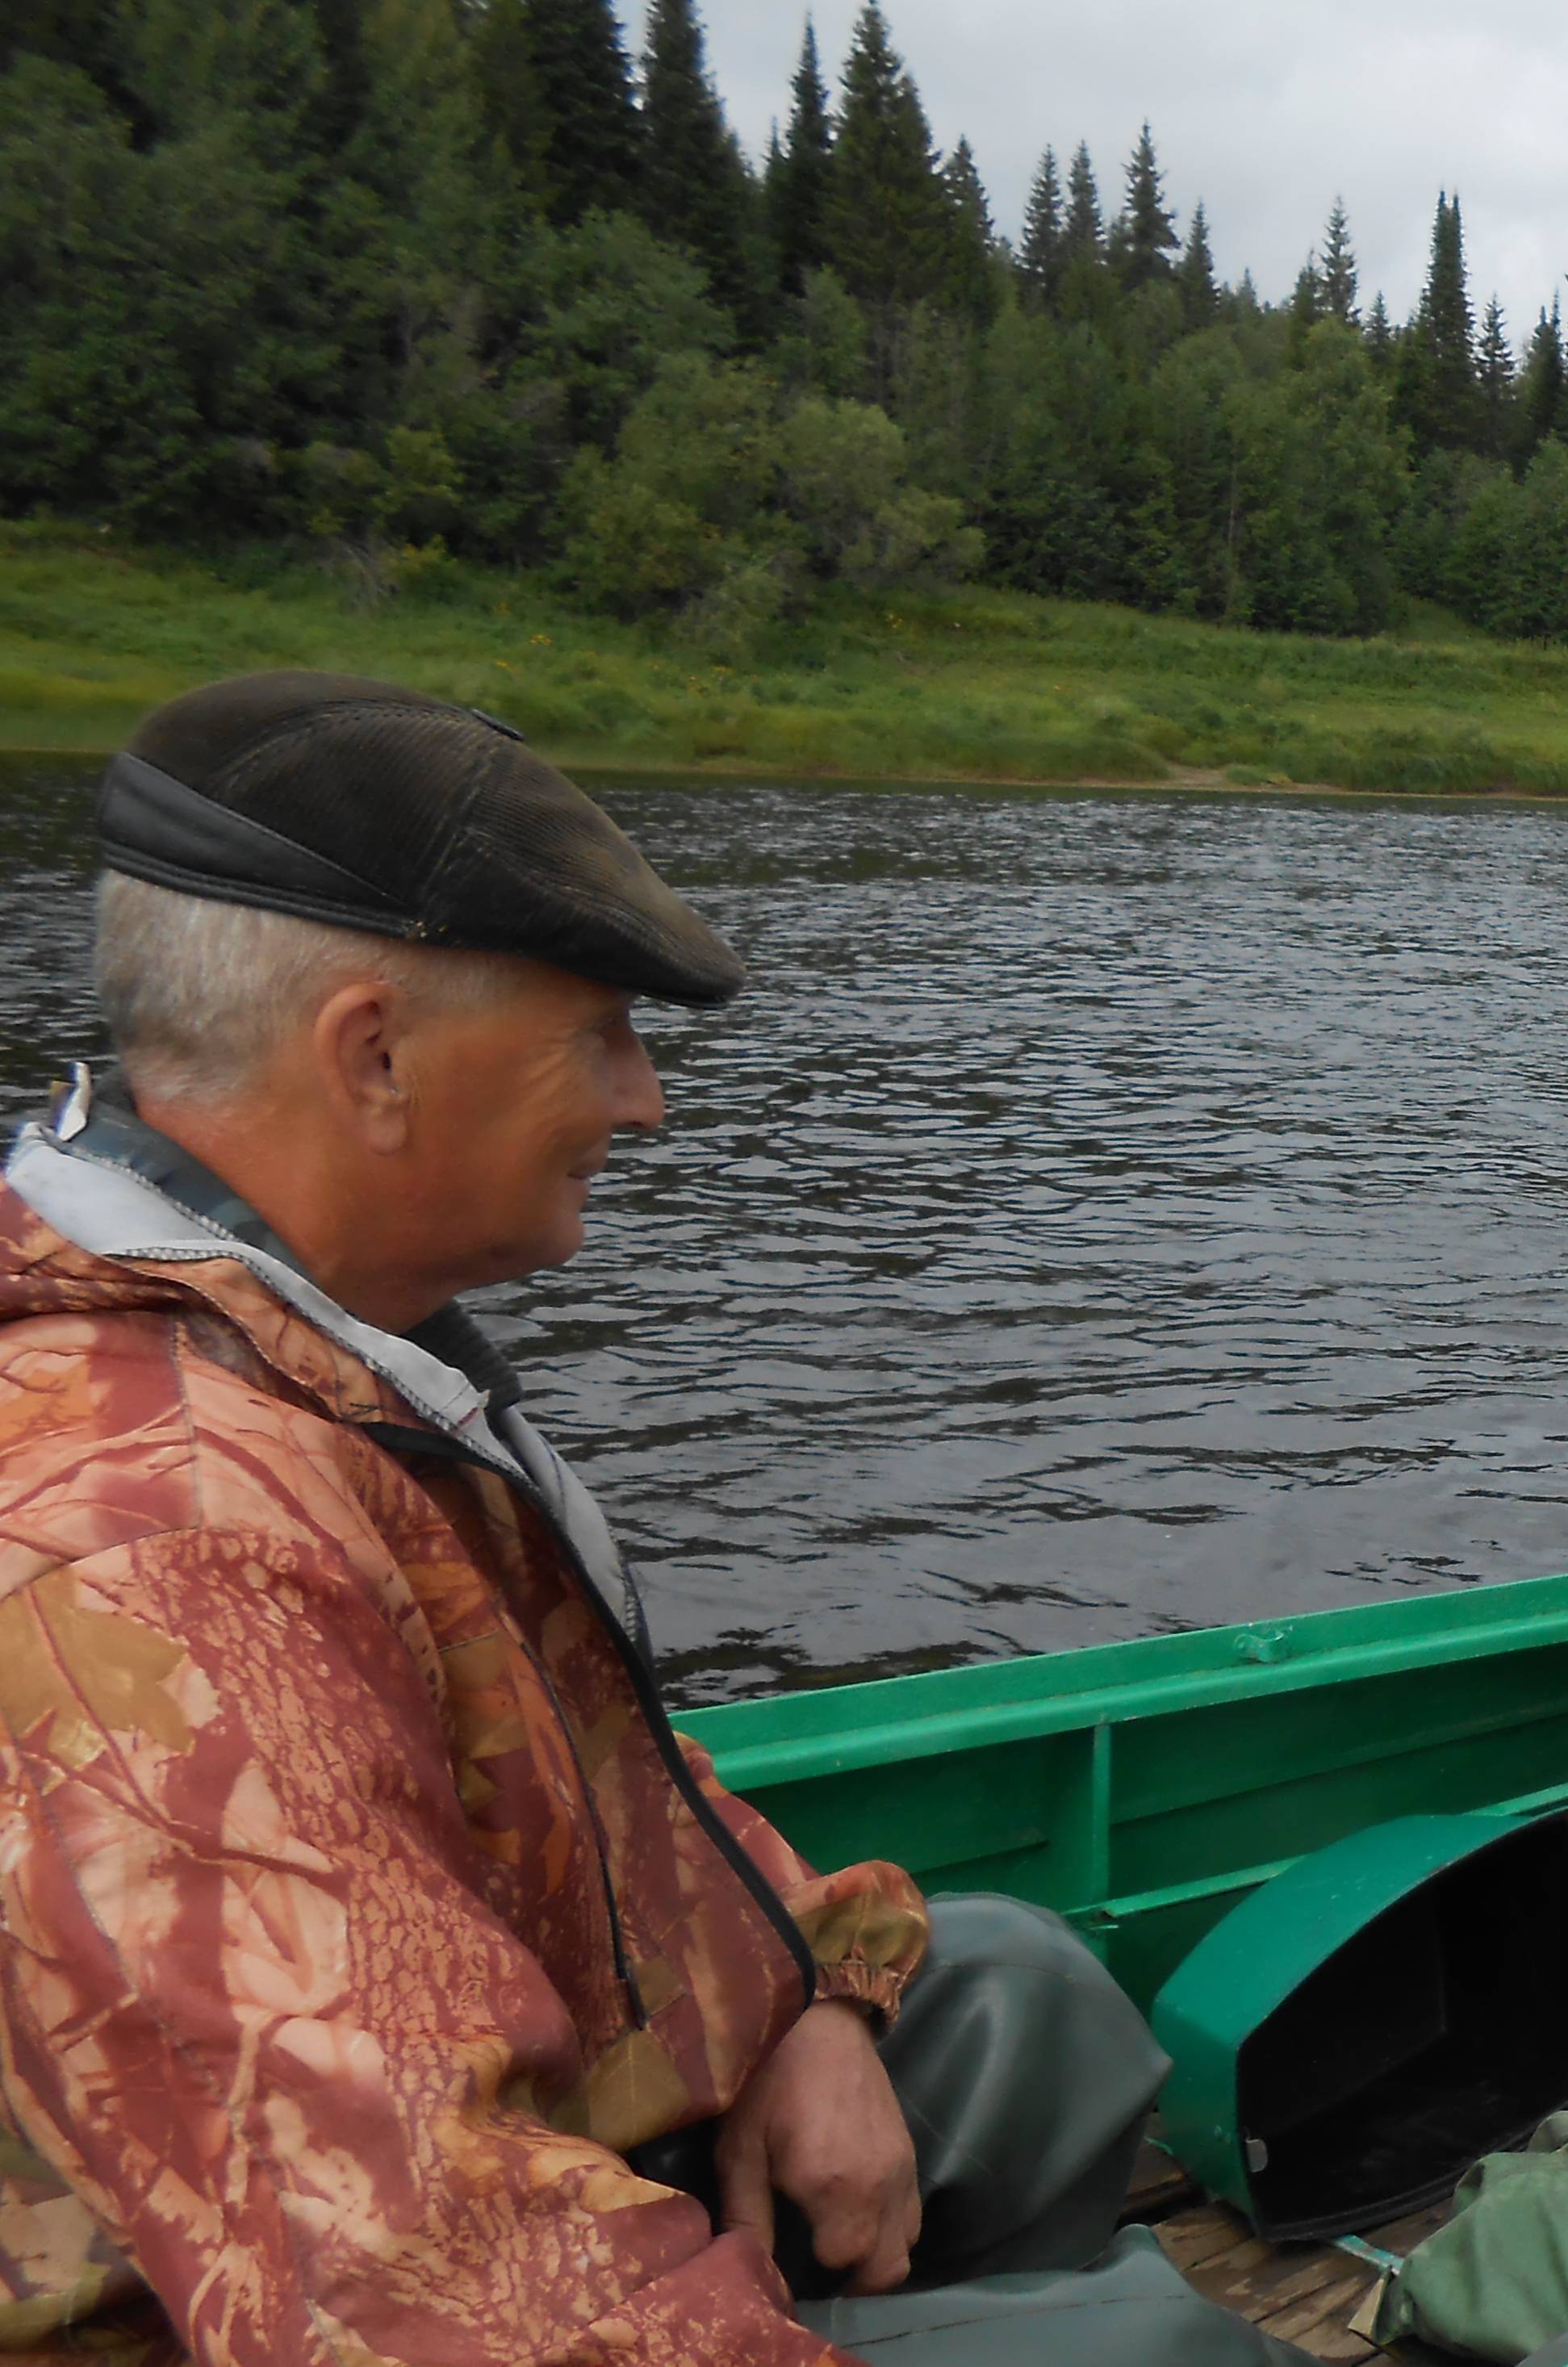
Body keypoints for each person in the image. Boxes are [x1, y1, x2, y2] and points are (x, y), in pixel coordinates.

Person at [0, 675, 1302, 2365]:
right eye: (595, 1038)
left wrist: (800, 2004)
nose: (645, 1104)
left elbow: (575, 1798)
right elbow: (417, 2288)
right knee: (1154, 2360)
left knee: (1013, 2010)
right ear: (374, 1057)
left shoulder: (323, 1357)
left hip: (464, 2164)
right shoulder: (152, 1545)